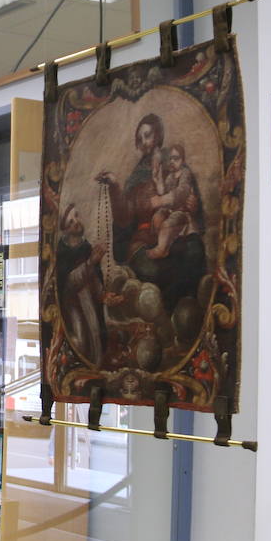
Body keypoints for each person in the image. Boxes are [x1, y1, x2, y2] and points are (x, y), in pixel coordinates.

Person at [95, 112, 207, 314]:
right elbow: (124, 217)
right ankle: (166, 315)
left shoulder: (175, 165)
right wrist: (115, 186)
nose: (144, 142)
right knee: (154, 270)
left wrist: (193, 205)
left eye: (147, 135)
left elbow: (188, 196)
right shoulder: (135, 178)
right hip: (145, 240)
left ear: (158, 135)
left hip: (176, 232)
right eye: (140, 139)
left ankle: (183, 313)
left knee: (195, 252)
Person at [55, 204, 111, 368]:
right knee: (82, 343)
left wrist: (103, 295)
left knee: (98, 339)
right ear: (66, 229)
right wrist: (90, 263)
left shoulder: (86, 247)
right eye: (71, 222)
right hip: (73, 308)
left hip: (90, 305)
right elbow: (68, 284)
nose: (76, 222)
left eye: (76, 216)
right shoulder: (63, 252)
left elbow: (95, 279)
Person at [145, 141, 203, 260]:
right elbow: (164, 192)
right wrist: (158, 182)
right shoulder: (170, 176)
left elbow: (181, 193)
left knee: (169, 223)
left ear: (183, 160)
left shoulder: (185, 173)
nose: (172, 161)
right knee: (157, 217)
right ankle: (159, 242)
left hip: (182, 211)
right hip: (170, 210)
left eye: (176, 158)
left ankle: (162, 249)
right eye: (171, 158)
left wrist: (161, 200)